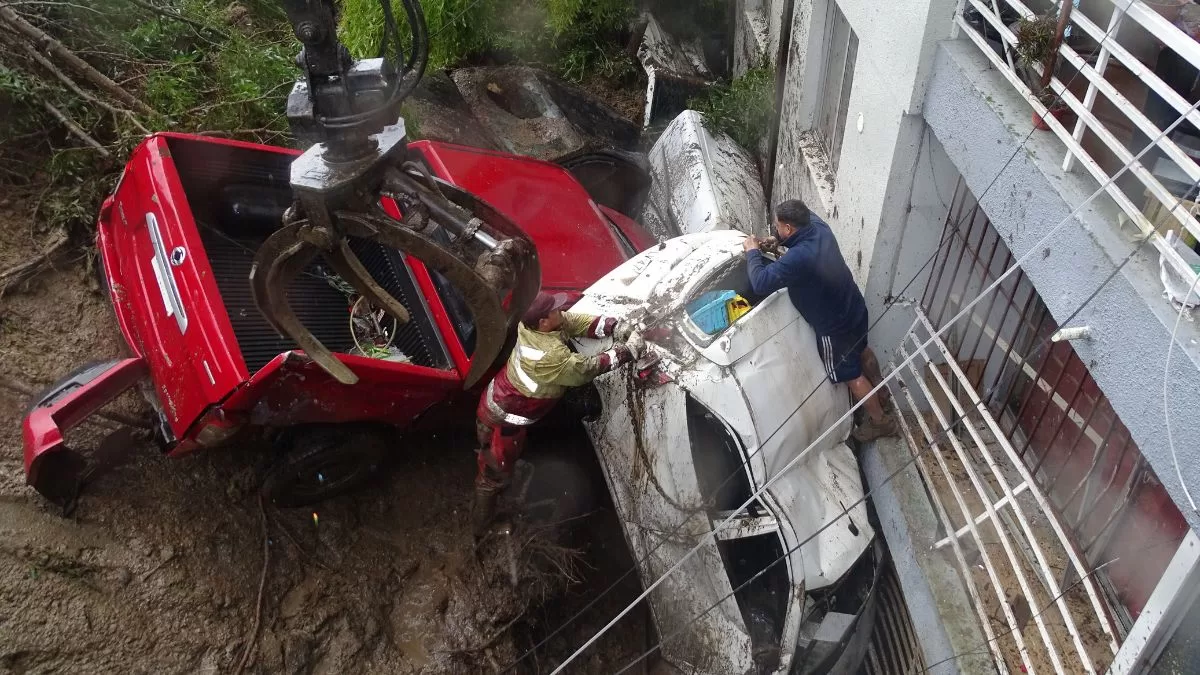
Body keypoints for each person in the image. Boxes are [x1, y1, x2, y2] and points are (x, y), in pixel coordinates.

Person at [473, 292, 644, 534]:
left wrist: (614, 326)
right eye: (555, 310)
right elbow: (586, 369)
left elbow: (573, 322)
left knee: (502, 462)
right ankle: (483, 527)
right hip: (502, 420)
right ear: (543, 322)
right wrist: (625, 352)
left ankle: (508, 467)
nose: (561, 311)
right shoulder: (549, 356)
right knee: (493, 475)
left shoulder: (535, 325)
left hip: (501, 400)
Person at [743, 199, 896, 442]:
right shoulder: (818, 225)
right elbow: (797, 232)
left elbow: (760, 283)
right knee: (863, 350)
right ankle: (882, 390)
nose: (775, 228)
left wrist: (752, 251)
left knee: (851, 375)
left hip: (834, 328)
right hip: (853, 306)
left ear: (789, 228)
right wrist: (776, 241)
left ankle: (880, 422)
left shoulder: (800, 258)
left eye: (777, 226)